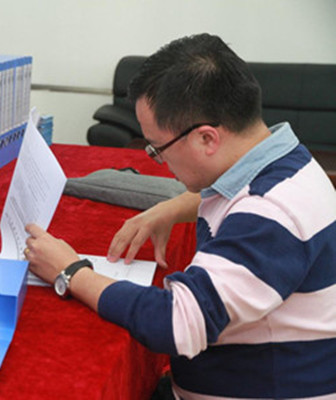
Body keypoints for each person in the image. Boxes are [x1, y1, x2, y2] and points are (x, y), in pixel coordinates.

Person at [24, 33, 336, 399]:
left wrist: (71, 271)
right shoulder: (284, 160)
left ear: (207, 139)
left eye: (158, 148)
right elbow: (239, 192)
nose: (158, 161)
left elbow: (176, 323)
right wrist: (169, 208)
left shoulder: (270, 213)